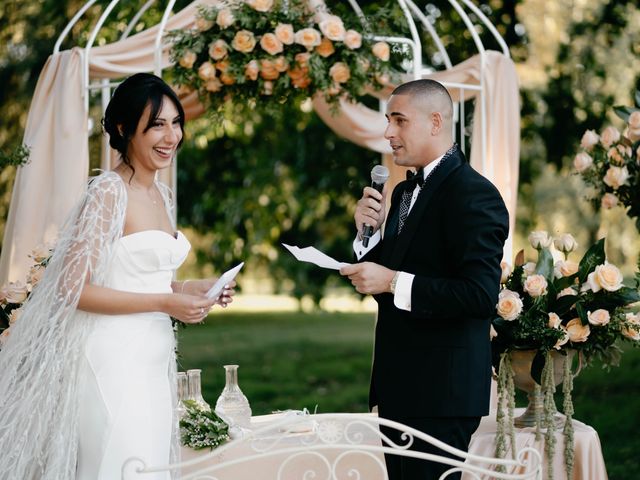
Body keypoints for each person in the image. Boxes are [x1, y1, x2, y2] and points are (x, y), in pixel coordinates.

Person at [0, 73, 236, 480]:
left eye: (176, 122)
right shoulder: (108, 192)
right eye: (157, 124)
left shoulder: (160, 194)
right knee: (120, 465)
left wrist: (189, 288)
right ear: (125, 129)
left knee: (147, 468)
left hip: (151, 360)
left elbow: (139, 276)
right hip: (113, 362)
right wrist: (165, 302)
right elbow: (71, 289)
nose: (171, 136)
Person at [340, 79, 509, 480]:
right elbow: (396, 278)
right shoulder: (401, 193)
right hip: (399, 386)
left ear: (435, 122)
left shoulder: (474, 195)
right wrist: (367, 239)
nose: (388, 133)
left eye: (399, 121)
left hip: (441, 394)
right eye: (388, 121)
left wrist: (392, 280)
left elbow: (479, 296)